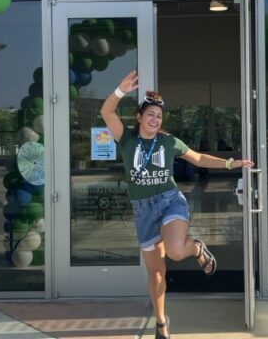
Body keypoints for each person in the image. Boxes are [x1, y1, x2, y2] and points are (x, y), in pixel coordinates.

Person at [100, 70, 254, 339]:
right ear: (139, 118)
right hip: (143, 210)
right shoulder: (126, 139)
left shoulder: (169, 142)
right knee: (156, 275)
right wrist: (121, 90)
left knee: (174, 250)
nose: (155, 119)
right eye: (150, 115)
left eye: (159, 116)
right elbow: (107, 112)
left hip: (170, 201)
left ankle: (195, 247)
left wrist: (232, 163)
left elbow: (200, 159)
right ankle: (161, 323)